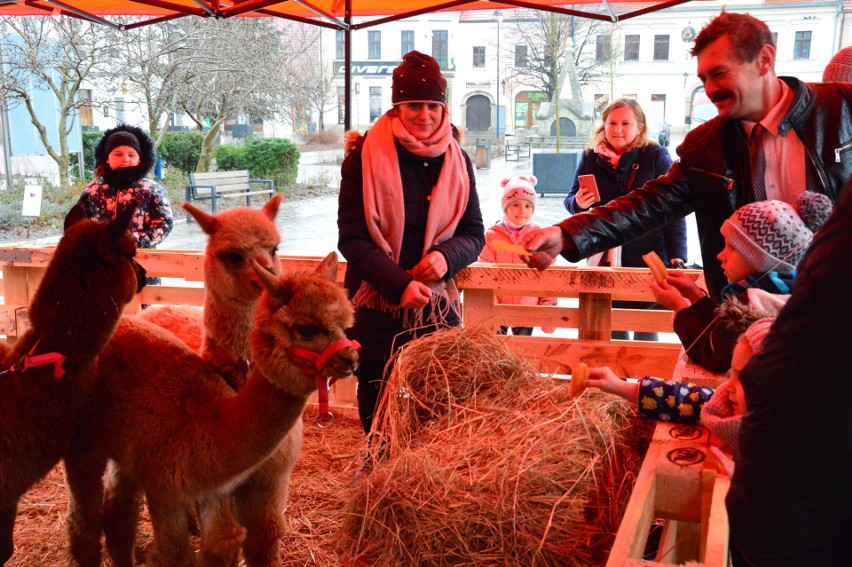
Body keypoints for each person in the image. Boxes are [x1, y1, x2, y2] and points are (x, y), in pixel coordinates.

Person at [521, 12, 852, 302]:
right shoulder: (705, 146)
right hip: (747, 315)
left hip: (833, 311)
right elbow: (648, 205)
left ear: (764, 60)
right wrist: (567, 233)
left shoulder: (843, 110)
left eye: (720, 73)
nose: (709, 88)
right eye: (703, 78)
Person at [337, 51, 485, 447]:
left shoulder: (458, 160)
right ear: (397, 107)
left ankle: (426, 468)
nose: (424, 115)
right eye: (413, 105)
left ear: (444, 107)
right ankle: (380, 464)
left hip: (436, 306)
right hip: (375, 303)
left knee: (437, 393)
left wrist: (447, 256)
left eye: (433, 106)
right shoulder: (362, 158)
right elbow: (351, 237)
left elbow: (474, 233)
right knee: (376, 388)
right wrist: (397, 284)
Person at [725, 181, 852, 566]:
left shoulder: (763, 304)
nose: (719, 255)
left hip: (796, 509)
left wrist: (685, 305)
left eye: (732, 247)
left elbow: (716, 351)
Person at [652, 191, 832, 372]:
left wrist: (679, 307)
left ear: (761, 258)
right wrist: (695, 296)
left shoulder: (756, 306)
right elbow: (722, 330)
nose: (720, 255)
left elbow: (712, 351)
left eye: (732, 247)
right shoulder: (781, 291)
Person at [565, 98, 686, 340]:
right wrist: (578, 202)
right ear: (604, 125)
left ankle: (646, 378)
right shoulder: (590, 156)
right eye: (612, 122)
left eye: (625, 123)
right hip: (605, 255)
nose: (617, 129)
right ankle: (616, 376)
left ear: (640, 127)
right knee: (612, 326)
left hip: (648, 254)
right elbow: (570, 200)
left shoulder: (656, 155)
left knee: (646, 328)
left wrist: (678, 254)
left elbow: (674, 207)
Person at [584, 317, 773, 456]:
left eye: (744, 378)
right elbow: (680, 399)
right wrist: (617, 386)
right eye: (731, 374)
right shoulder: (722, 408)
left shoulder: (786, 455)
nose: (728, 385)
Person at [76, 124, 173, 284]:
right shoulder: (93, 190)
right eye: (118, 154)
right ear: (107, 158)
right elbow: (79, 221)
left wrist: (137, 241)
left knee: (144, 307)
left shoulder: (150, 189)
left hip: (141, 264)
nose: (125, 159)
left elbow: (164, 222)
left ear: (140, 158)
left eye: (131, 154)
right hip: (101, 266)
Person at [478, 175, 556, 336]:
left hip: (527, 306)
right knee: (497, 351)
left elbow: (548, 275)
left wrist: (547, 302)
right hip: (497, 305)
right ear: (505, 207)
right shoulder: (492, 236)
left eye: (528, 206)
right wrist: (489, 301)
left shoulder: (539, 237)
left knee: (522, 351)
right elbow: (485, 271)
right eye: (516, 205)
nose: (522, 211)